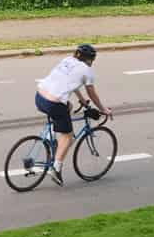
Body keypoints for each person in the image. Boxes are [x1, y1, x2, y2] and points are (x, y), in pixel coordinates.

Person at [34, 43, 109, 186]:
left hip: (39, 97)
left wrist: (83, 102)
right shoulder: (87, 71)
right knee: (68, 136)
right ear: (90, 59)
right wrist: (103, 109)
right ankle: (56, 168)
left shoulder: (67, 60)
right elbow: (91, 93)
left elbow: (71, 84)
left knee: (68, 106)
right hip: (53, 103)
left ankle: (51, 134)